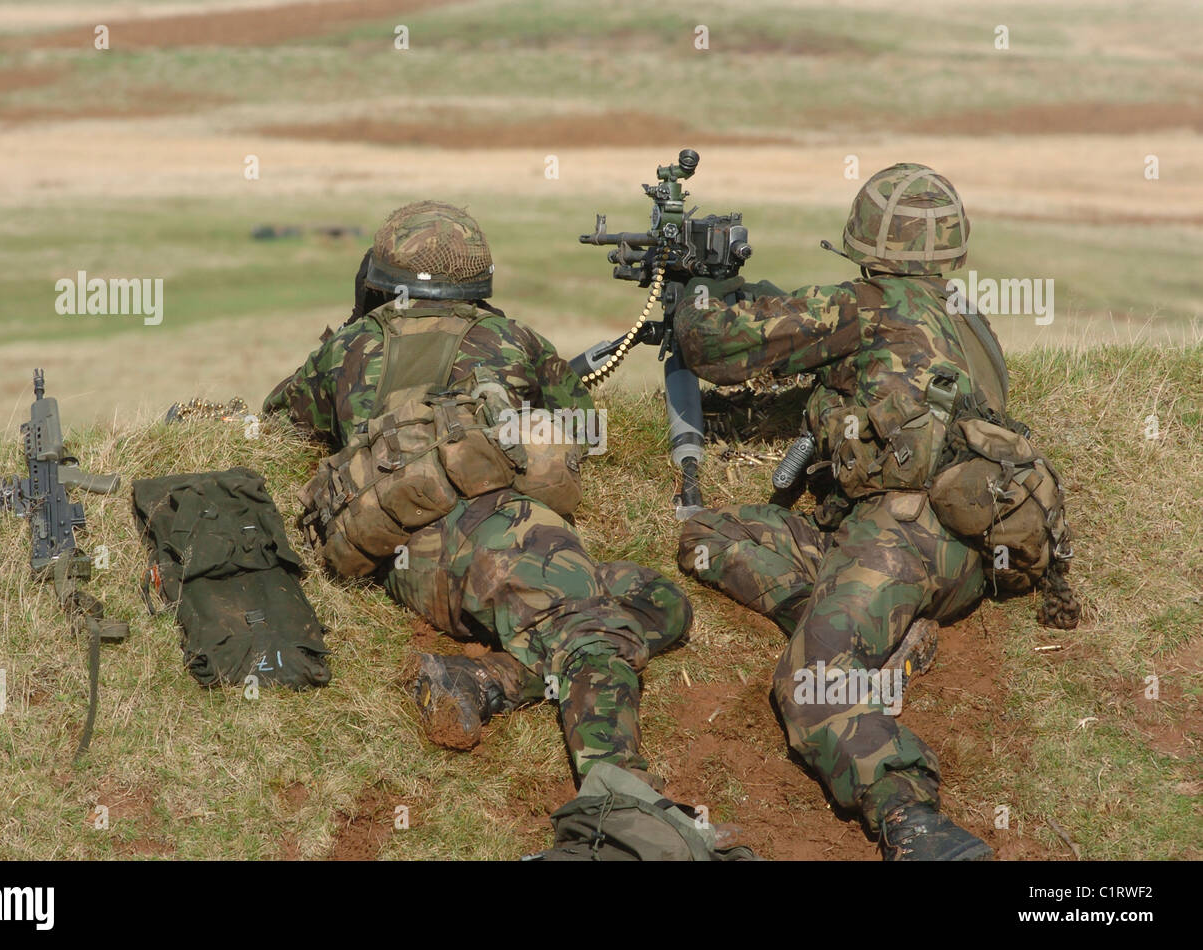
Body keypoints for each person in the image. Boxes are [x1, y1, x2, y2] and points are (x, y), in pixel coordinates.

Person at [673, 163, 1047, 860]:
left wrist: (691, 292)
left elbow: (715, 348)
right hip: (965, 550)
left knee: (812, 683)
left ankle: (915, 821)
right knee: (707, 535)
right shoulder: (968, 318)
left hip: (897, 544)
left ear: (866, 238)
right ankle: (876, 633)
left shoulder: (868, 305)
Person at [263, 200, 691, 794]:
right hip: (505, 536)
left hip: (402, 555)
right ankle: (620, 801)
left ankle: (483, 680)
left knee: (661, 602)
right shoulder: (510, 337)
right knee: (595, 635)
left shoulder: (349, 346)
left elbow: (282, 419)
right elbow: (581, 425)